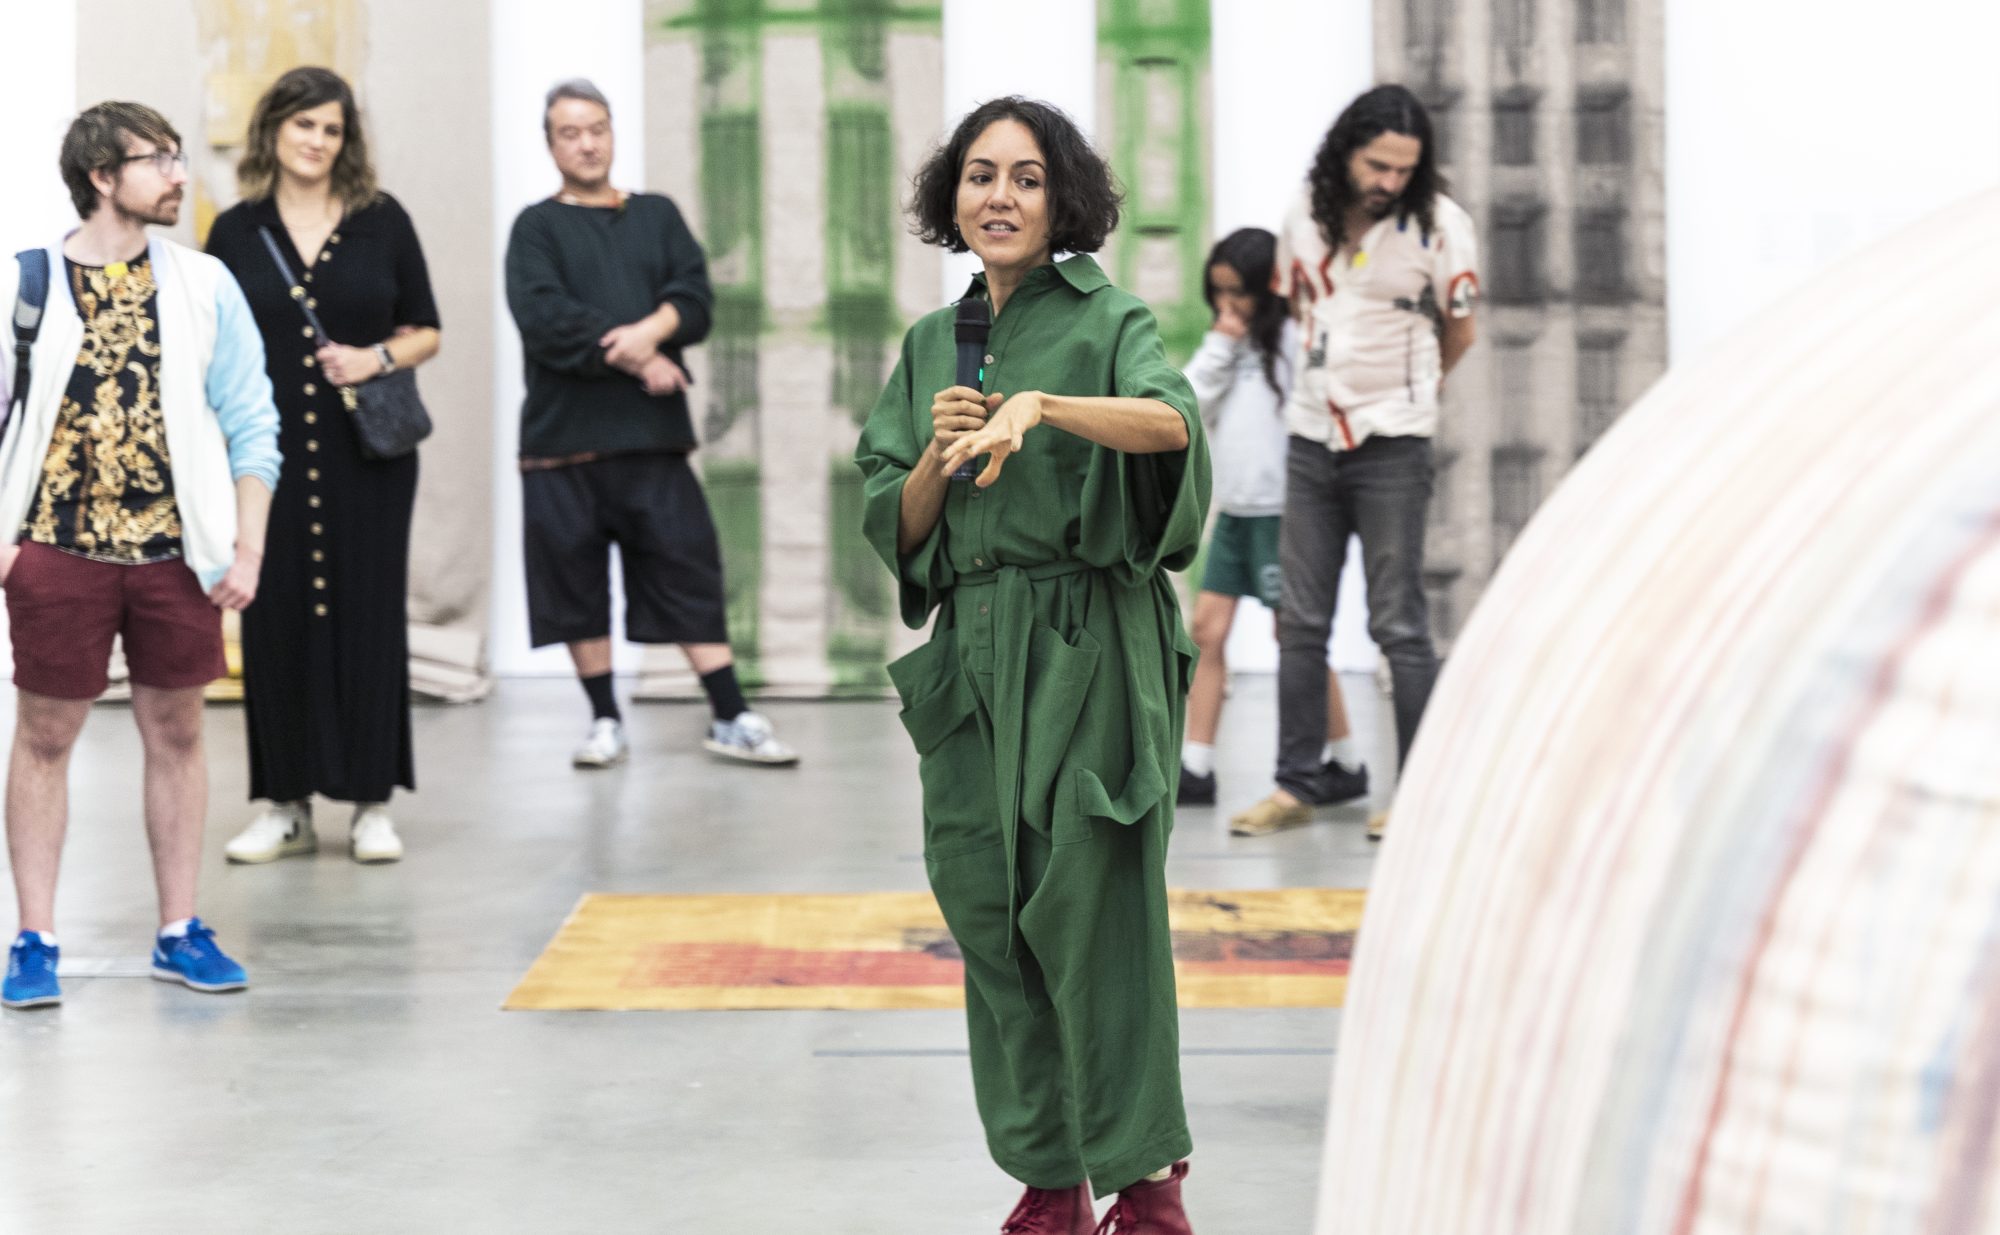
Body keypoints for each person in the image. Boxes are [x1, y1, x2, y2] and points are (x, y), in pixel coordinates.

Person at [856, 96, 1209, 1234]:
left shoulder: (1108, 318)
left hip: (1088, 643)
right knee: (991, 912)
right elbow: (891, 515)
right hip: (972, 653)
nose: (998, 196)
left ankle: (1147, 1184)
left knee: (1095, 907)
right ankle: (1048, 1176)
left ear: (1062, 199)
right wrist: (937, 455)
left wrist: (1040, 406)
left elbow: (1173, 429)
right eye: (978, 176)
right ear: (949, 198)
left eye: (1023, 177)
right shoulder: (927, 346)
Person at [0, 102, 279, 1008]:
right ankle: (34, 937)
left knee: (180, 731)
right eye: (156, 159)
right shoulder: (25, 284)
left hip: (175, 552)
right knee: (45, 737)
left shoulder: (206, 284)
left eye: (176, 155)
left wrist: (248, 545)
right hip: (55, 548)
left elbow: (252, 424)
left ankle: (178, 928)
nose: (178, 174)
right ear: (100, 176)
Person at [504, 79, 794, 770]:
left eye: (597, 127)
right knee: (574, 586)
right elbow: (546, 321)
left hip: (653, 439)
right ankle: (604, 718)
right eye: (570, 131)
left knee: (687, 568)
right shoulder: (535, 228)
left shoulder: (656, 215)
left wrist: (647, 334)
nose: (586, 141)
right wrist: (643, 360)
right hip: (560, 444)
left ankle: (730, 714)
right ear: (550, 145)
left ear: (612, 133)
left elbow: (693, 296)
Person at [1229, 85, 1479, 841]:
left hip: (1394, 444)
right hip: (1311, 438)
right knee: (1298, 620)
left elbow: (1461, 332)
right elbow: (1297, 312)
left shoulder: (1442, 226)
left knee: (1398, 622)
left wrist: (1409, 395)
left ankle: (1419, 795)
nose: (1390, 181)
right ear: (1347, 151)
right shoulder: (1302, 215)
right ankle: (1295, 784)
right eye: (1378, 164)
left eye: (1404, 168)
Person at [205, 67, 441, 866]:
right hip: (264, 460)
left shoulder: (383, 221)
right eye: (304, 125)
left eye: (332, 129)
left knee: (368, 614)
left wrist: (374, 357)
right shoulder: (235, 231)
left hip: (366, 460)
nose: (316, 141)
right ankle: (286, 804)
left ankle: (372, 803)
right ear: (273, 129)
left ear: (348, 141)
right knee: (274, 622)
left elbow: (426, 331)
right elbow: (212, 346)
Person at [1177, 228, 1367, 810]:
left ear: (1267, 288)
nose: (1229, 304)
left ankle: (1347, 762)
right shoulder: (1223, 344)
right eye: (1219, 292)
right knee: (1206, 631)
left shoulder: (1291, 337)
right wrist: (1219, 343)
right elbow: (1183, 402)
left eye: (1240, 292)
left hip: (1286, 512)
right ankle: (1195, 767)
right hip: (1234, 513)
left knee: (1296, 637)